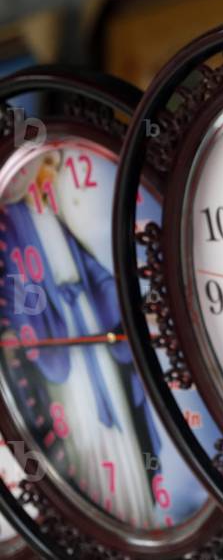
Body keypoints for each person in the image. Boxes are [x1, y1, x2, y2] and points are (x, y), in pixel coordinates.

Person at [0, 151, 160, 523]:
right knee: (82, 419)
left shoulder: (53, 216)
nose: (49, 178)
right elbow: (16, 290)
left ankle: (133, 506)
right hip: (62, 341)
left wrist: (119, 296)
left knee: (119, 415)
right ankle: (100, 508)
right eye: (45, 169)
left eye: (52, 169)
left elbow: (94, 273)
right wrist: (43, 306)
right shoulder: (13, 221)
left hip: (90, 326)